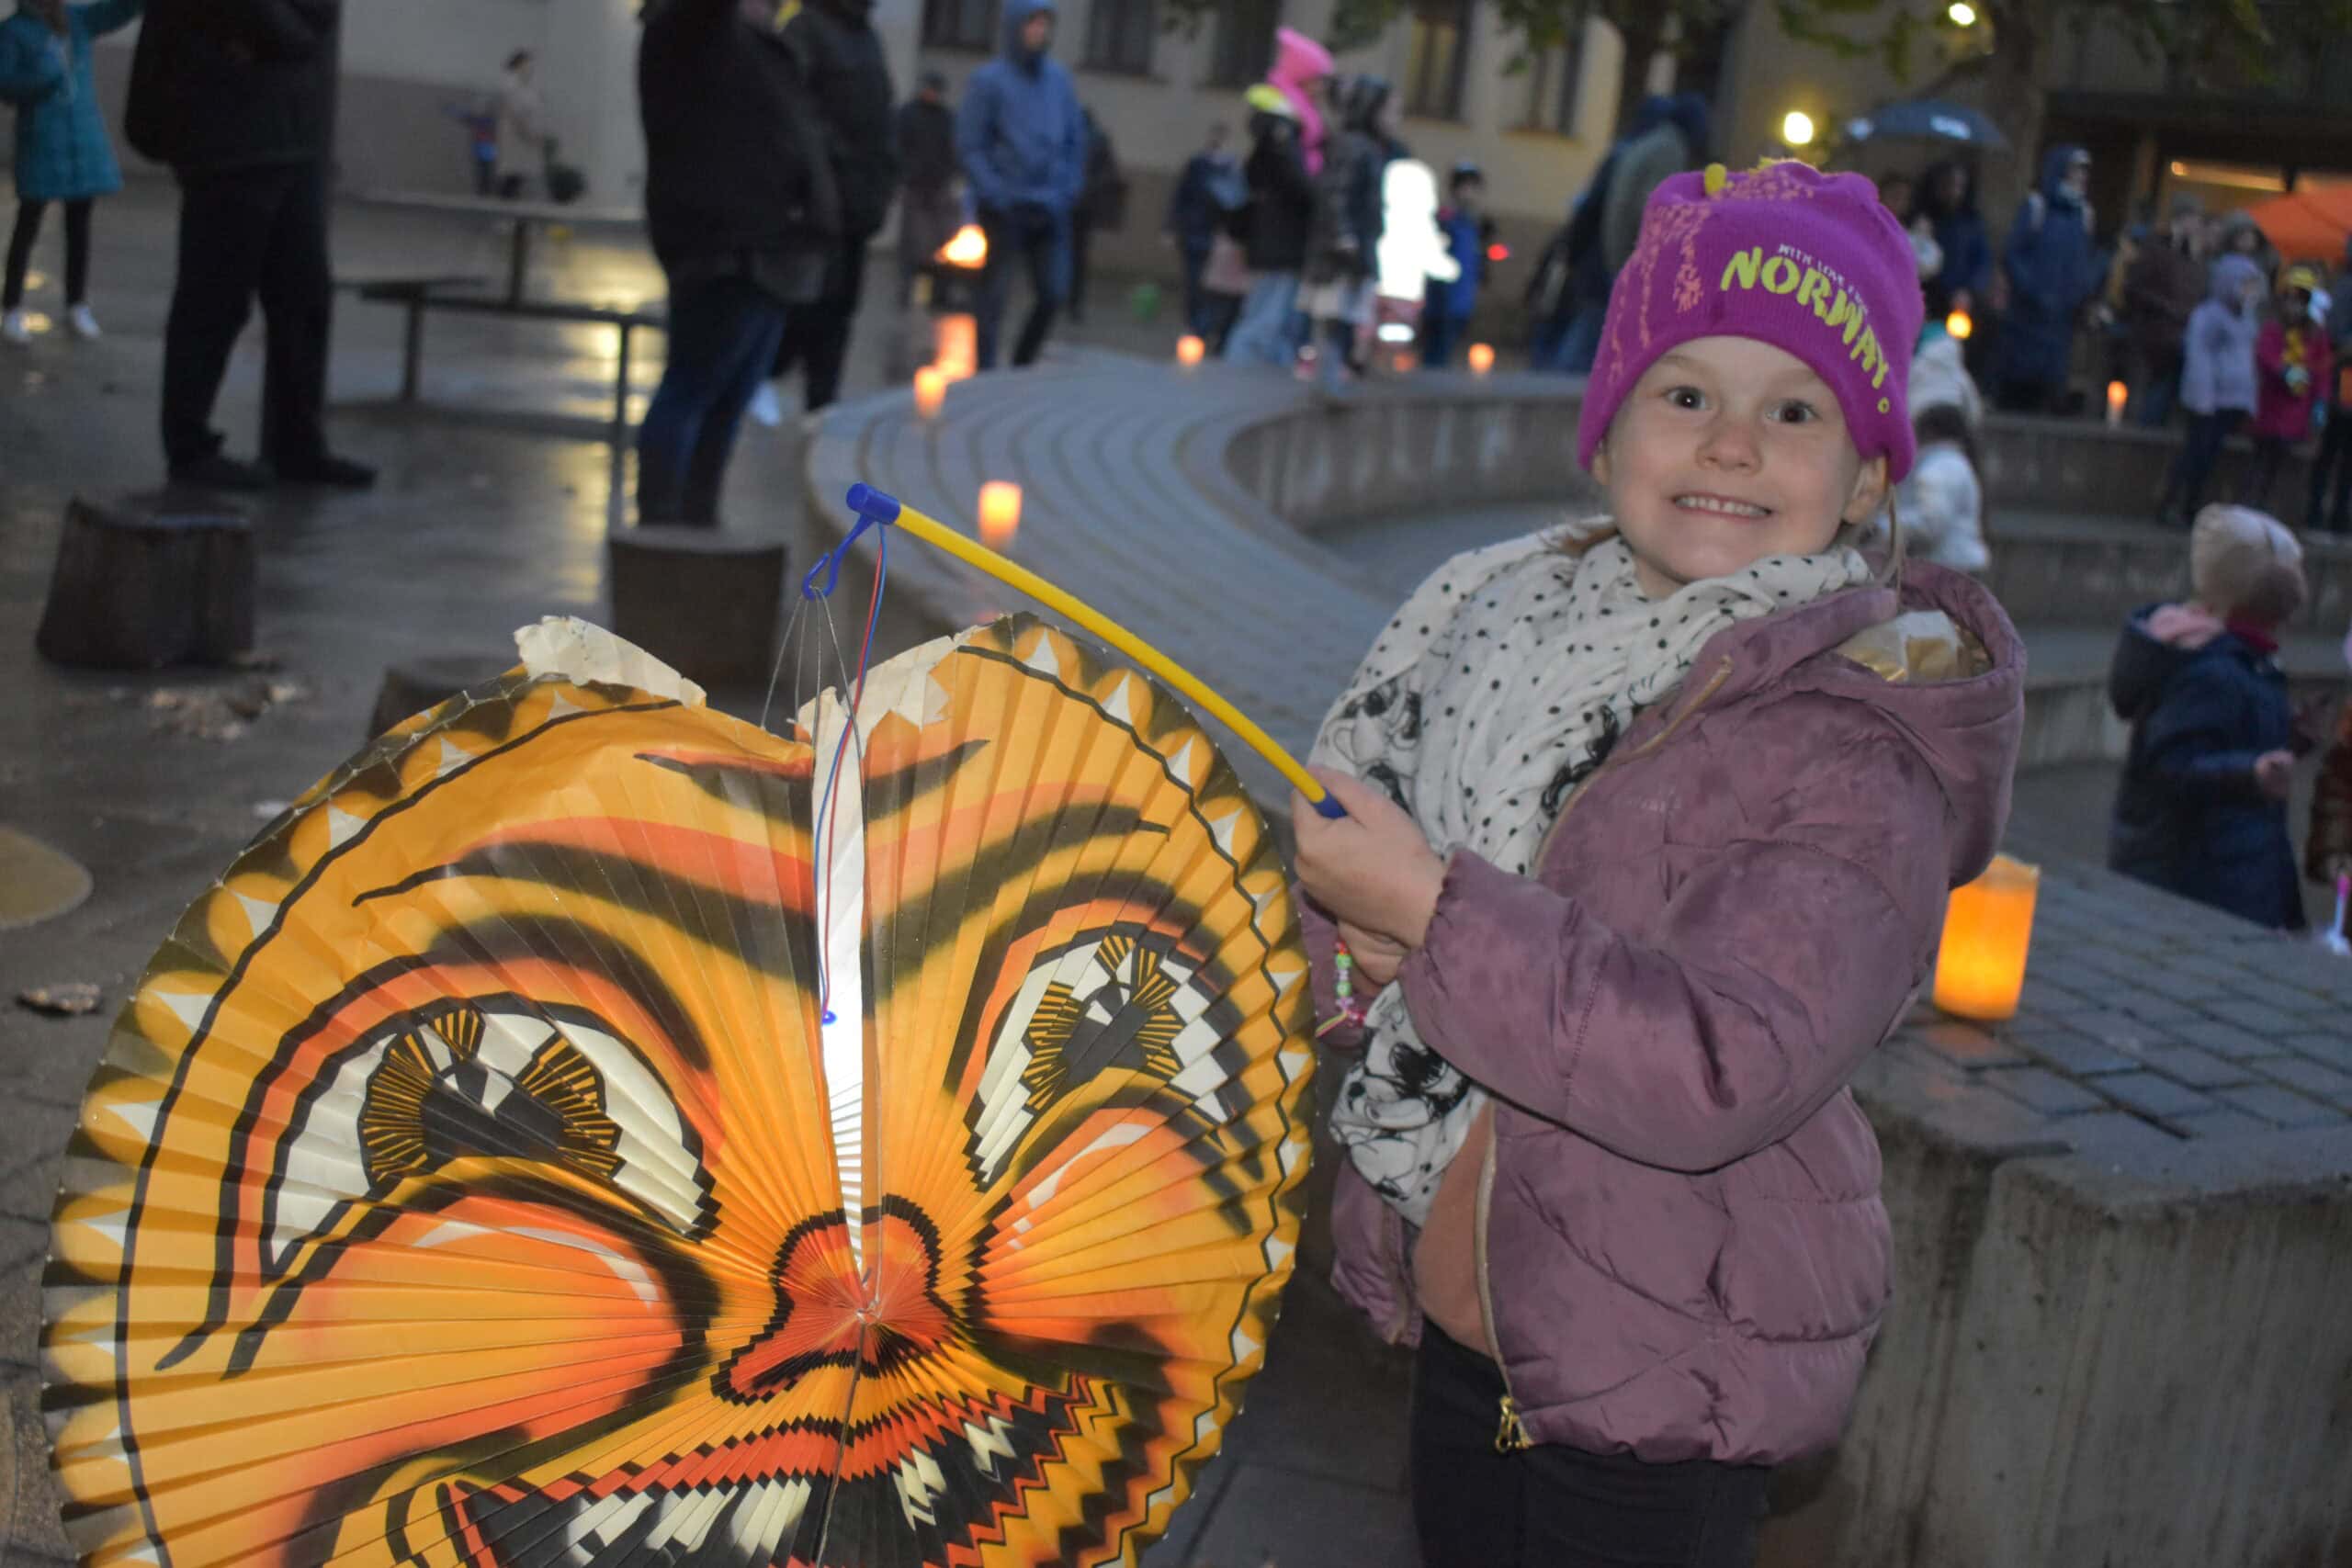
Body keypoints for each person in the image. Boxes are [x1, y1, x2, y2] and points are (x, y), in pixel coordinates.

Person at [1291, 160, 2020, 1568]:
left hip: (1664, 1361)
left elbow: (1722, 1058)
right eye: (1687, 393)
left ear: (1871, 475)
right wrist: (1367, 933)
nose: (1732, 445)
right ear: (1608, 428)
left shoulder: (1856, 737)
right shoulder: (1502, 632)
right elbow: (1395, 919)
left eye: (1794, 410)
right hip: (1478, 1304)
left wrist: (1432, 919)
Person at [125, 0, 374, 491]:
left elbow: (312, 20)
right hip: (227, 142)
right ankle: (189, 447)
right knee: (213, 302)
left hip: (289, 138)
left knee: (303, 297)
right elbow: (277, 25)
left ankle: (296, 445)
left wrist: (265, 39)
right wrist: (273, 35)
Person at [634, 0, 835, 526]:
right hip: (723, 250)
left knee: (726, 401)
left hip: (773, 254)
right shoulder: (692, 33)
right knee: (692, 388)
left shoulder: (765, 49)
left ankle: (698, 522)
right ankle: (660, 529)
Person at [2108, 504, 2307, 931]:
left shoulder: (2245, 661)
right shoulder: (2213, 671)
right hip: (2196, 874)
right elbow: (2169, 766)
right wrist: (2250, 773)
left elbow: (2224, 735)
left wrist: (2292, 735)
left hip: (2225, 864)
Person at [746, 0, 897, 423]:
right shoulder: (807, 30)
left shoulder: (867, 38)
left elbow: (880, 114)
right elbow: (792, 107)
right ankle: (766, 375)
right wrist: (826, 169)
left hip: (859, 206)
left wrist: (885, 174)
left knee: (839, 312)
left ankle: (822, 408)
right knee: (807, 305)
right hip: (821, 203)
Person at [0, 0, 142, 347]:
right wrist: (44, 79)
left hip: (82, 142)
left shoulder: (75, 22)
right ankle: (12, 308)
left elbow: (117, 11)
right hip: (43, 142)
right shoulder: (14, 32)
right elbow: (5, 84)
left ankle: (76, 303)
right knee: (28, 225)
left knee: (79, 226)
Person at [954, 0, 1086, 371]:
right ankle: (986, 370)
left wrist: (1068, 186)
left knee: (1054, 292)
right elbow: (970, 144)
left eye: (1045, 24)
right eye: (1032, 23)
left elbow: (1075, 138)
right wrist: (994, 190)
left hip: (1050, 206)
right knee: (993, 297)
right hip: (1005, 208)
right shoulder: (989, 81)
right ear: (1015, 27)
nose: (1039, 31)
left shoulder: (1058, 81)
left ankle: (1023, 364)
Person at [1298, 74, 1390, 388]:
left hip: (1352, 251)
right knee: (1332, 320)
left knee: (1343, 320)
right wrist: (1344, 237)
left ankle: (1332, 378)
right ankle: (1326, 381)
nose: (1395, 120)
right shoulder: (1355, 147)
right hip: (1340, 256)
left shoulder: (1365, 148)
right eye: (1390, 111)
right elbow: (1336, 193)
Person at [1994, 145, 2101, 413]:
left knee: (2049, 385)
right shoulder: (2036, 207)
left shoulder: (2084, 214)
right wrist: (2031, 289)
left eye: (2084, 171)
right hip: (2028, 316)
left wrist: (2080, 292)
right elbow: (2013, 253)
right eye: (2076, 169)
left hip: (2060, 320)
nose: (2081, 176)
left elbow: (2082, 260)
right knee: (2017, 385)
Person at [2158, 254, 2264, 526]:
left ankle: (2192, 506)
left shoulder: (2247, 319)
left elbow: (2247, 360)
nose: (2249, 292)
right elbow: (2199, 358)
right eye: (2245, 284)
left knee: (2210, 459)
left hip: (2232, 401)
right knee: (2195, 454)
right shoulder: (2208, 316)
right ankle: (2171, 503)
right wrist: (2202, 397)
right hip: (2209, 400)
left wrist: (2248, 398)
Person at [1221, 86, 1313, 367]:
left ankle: (1258, 373)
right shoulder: (1281, 146)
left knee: (1268, 314)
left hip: (1272, 244)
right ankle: (1238, 371)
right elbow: (1301, 188)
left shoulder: (1265, 149)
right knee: (1265, 317)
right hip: (1280, 245)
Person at [2245, 265, 2330, 512]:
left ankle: (2262, 508)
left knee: (2278, 464)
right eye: (2292, 298)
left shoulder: (2316, 335)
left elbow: (2322, 371)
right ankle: (2249, 507)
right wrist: (2282, 370)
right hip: (2270, 406)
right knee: (2259, 461)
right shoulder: (2274, 328)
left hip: (2296, 413)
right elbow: (2264, 356)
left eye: (2302, 299)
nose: (2296, 305)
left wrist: (2320, 401)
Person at [2121, 194, 2206, 427]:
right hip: (2156, 335)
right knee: (2154, 392)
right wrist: (2168, 309)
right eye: (2192, 218)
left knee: (2168, 393)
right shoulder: (2156, 249)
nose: (2196, 224)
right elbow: (2135, 288)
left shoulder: (2194, 257)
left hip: (2181, 336)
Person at [1164, 120, 1239, 338]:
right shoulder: (1197, 164)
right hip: (1195, 232)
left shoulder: (1230, 168)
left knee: (1212, 285)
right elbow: (1181, 197)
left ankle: (1204, 324)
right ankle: (1195, 323)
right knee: (1194, 281)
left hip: (1216, 235)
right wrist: (1171, 227)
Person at [893, 71, 958, 309]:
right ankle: (910, 291)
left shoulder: (945, 118)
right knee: (914, 245)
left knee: (940, 242)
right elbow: (898, 146)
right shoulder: (909, 115)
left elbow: (952, 148)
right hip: (916, 185)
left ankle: (935, 292)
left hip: (937, 185)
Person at [1420, 162, 1487, 369]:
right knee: (1436, 352)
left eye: (1474, 188)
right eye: (1466, 186)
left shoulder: (1473, 223)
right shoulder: (1446, 220)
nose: (1470, 193)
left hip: (1461, 300)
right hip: (1442, 301)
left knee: (1447, 351)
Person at [2305, 238, 2352, 533]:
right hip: (2344, 380)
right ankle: (2318, 516)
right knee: (2335, 450)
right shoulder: (2346, 287)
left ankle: (2338, 517)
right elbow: (2333, 334)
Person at [1067, 106, 1124, 323]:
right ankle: (1073, 302)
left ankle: (1072, 301)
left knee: (1072, 255)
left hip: (1076, 205)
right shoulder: (1094, 139)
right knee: (1076, 256)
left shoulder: (1082, 139)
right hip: (1080, 205)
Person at [1916, 160, 1990, 325]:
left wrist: (1969, 291)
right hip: (1924, 298)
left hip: (1956, 301)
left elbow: (1981, 261)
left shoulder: (1971, 222)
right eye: (1948, 185)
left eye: (1959, 186)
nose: (1954, 192)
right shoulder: (1923, 216)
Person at [1264, 25, 1331, 175]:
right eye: (1317, 80)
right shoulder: (1282, 113)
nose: (1322, 88)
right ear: (1301, 78)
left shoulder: (1306, 112)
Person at [494, 50, 548, 199]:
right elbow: (515, 113)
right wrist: (529, 134)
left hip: (528, 139)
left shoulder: (529, 88)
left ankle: (519, 219)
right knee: (512, 178)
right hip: (518, 138)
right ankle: (507, 215)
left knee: (521, 180)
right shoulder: (511, 85)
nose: (530, 68)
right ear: (519, 65)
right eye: (527, 64)